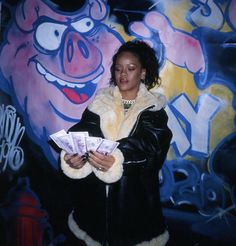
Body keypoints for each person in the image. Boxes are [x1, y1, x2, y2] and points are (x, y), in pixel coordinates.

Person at [60, 40, 172, 246]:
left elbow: (150, 145)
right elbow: (85, 130)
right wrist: (74, 155)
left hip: (135, 207)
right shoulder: (100, 102)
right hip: (93, 207)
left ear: (143, 73)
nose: (123, 74)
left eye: (131, 68)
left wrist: (118, 158)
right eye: (118, 68)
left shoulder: (154, 110)